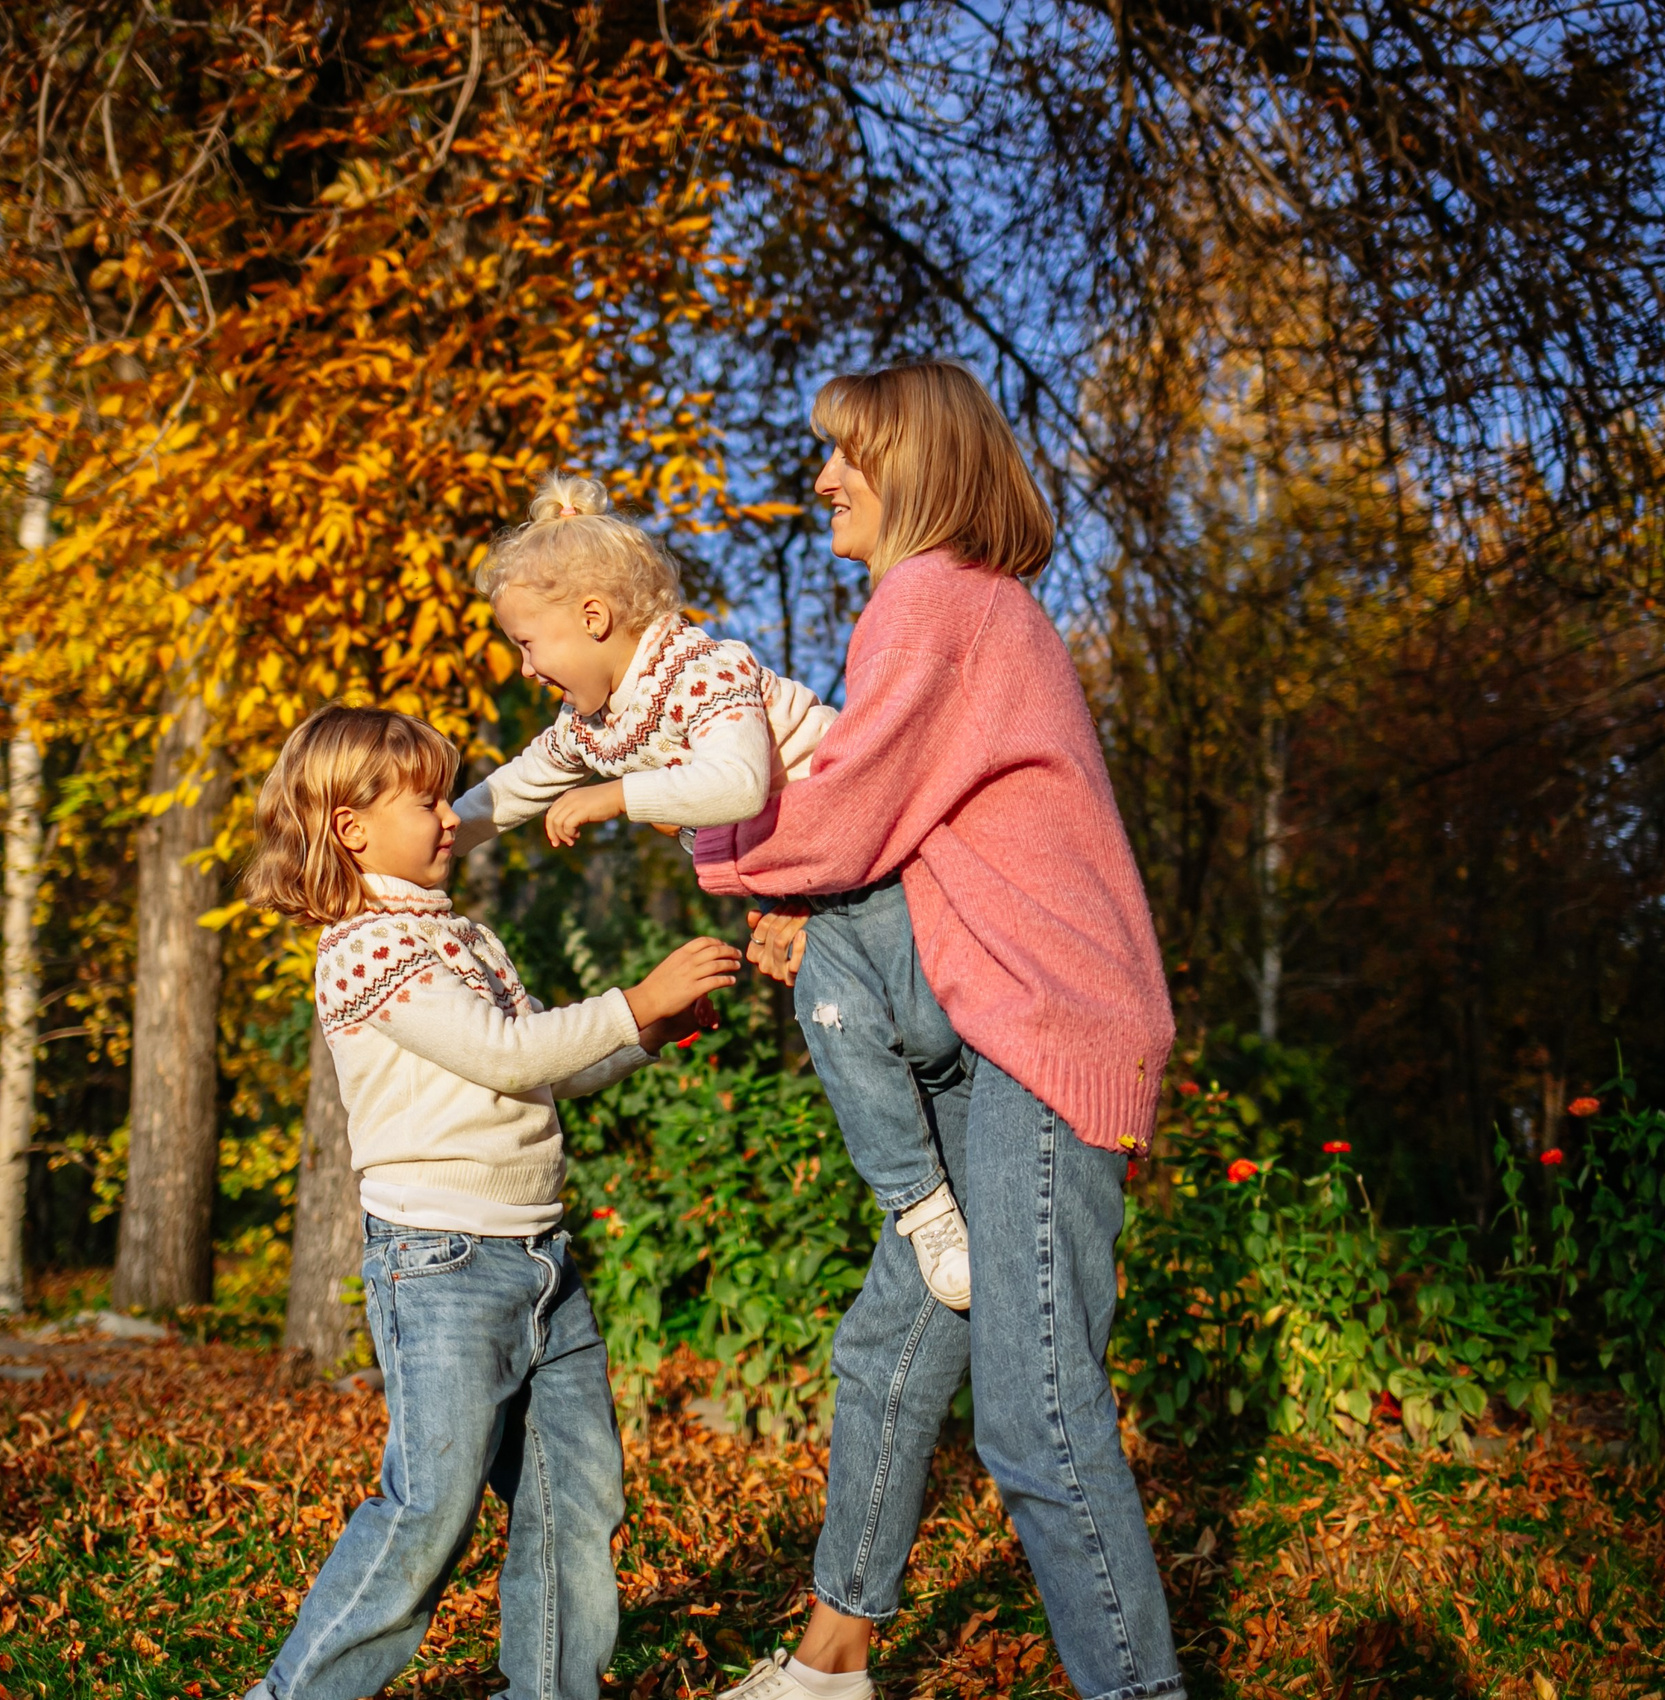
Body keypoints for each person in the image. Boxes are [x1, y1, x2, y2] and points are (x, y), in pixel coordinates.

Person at [694, 363, 1185, 1700]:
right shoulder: (973, 612)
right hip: (990, 1021)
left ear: (916, 465)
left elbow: (846, 811)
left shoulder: (936, 599)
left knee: (1039, 1419)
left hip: (1038, 1028)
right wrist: (820, 912)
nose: (824, 481)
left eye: (847, 456)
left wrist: (700, 830)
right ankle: (832, 1662)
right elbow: (909, 834)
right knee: (895, 1346)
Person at [236, 705, 744, 1700]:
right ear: (350, 825)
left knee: (573, 1495)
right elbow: (505, 1052)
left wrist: (648, 1032)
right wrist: (633, 998)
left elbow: (541, 1071)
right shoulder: (363, 948)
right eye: (424, 799)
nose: (446, 816)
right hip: (440, 1264)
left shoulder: (463, 936)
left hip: (542, 1258)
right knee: (430, 1505)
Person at [454, 473, 977, 1309]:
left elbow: (735, 783)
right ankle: (924, 1208)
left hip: (881, 857)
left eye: (528, 643)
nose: (526, 669)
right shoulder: (601, 720)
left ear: (594, 619)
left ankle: (976, 1158)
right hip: (820, 890)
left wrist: (618, 796)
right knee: (838, 1026)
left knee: (924, 1029)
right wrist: (447, 833)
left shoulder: (702, 670)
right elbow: (515, 788)